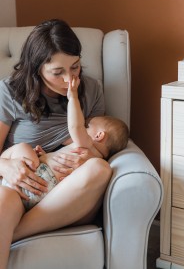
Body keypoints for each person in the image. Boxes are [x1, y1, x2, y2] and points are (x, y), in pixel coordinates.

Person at [0, 19, 114, 269]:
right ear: (37, 69)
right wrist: (5, 166)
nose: (69, 79)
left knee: (100, 169)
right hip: (21, 186)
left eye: (75, 67)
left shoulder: (91, 89)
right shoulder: (9, 91)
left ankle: (13, 233)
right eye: (57, 72)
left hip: (65, 195)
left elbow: (95, 141)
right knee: (3, 200)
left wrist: (87, 156)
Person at [1, 75, 129, 211]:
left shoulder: (87, 145)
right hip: (49, 195)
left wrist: (73, 97)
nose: (84, 128)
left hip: (33, 180)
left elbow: (75, 126)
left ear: (99, 135)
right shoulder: (94, 159)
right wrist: (45, 156)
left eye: (87, 126)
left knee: (23, 148)